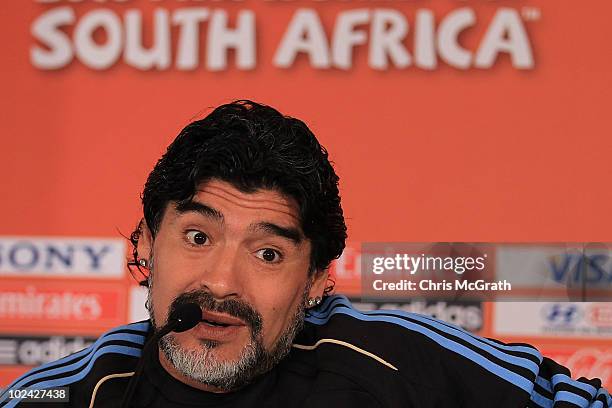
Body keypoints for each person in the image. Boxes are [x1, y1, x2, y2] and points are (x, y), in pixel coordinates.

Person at [1, 100, 610, 408]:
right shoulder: (70, 396)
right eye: (197, 237)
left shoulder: (395, 365)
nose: (222, 283)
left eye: (268, 254)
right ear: (144, 245)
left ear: (317, 279)